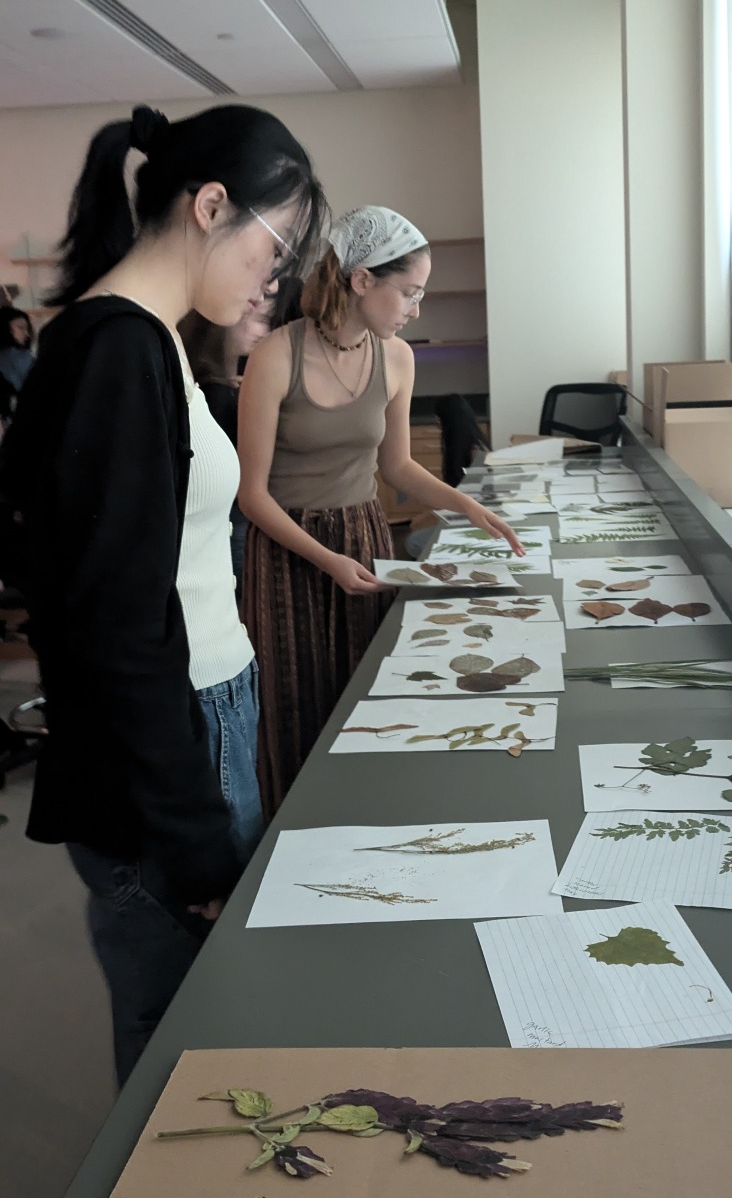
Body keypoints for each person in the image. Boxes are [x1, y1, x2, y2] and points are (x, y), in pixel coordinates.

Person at [0, 102, 324, 1085]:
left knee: (203, 1027)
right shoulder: (115, 350)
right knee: (187, 1046)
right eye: (275, 246)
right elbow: (114, 628)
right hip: (167, 750)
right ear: (210, 205)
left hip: (196, 723)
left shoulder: (146, 341)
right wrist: (192, 841)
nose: (273, 275)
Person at [238, 205, 523, 818]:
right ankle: (295, 839)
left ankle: (368, 824)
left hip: (363, 536)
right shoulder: (275, 356)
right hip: (293, 550)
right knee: (297, 705)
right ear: (362, 280)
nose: (416, 308)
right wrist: (327, 561)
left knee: (369, 695)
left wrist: (469, 506)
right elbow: (252, 495)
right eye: (410, 292)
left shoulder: (397, 358)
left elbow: (397, 468)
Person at [181, 301, 275, 593]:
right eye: (255, 318)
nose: (263, 330)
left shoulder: (213, 384)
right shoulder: (218, 394)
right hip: (230, 524)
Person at [0, 306, 36, 426]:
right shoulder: (17, 357)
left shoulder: (22, 356)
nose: (26, 333)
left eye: (27, 328)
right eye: (20, 328)